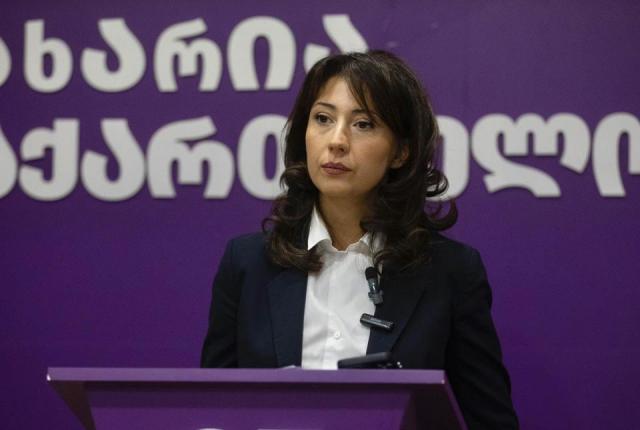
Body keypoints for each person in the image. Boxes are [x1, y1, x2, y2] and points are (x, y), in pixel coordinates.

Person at [201, 50, 519, 429]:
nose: (336, 141)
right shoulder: (248, 262)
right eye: (322, 118)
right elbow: (213, 413)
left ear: (401, 151)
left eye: (363, 124)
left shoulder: (450, 272)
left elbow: (489, 421)